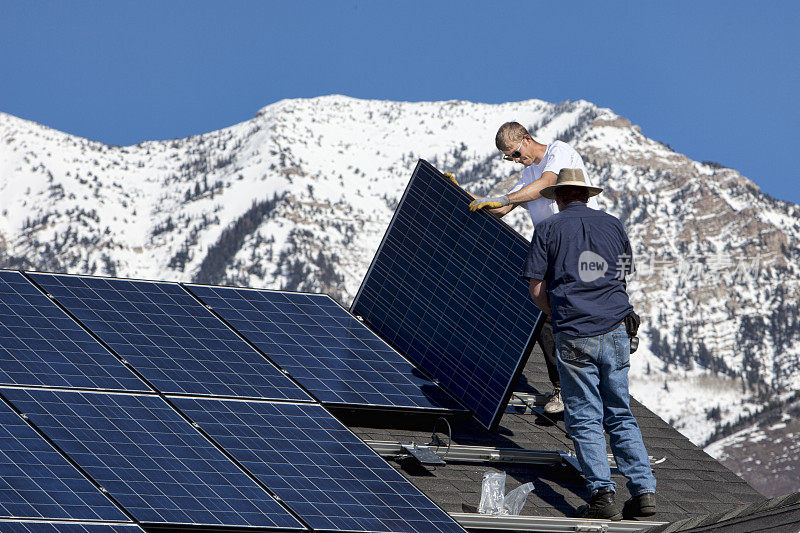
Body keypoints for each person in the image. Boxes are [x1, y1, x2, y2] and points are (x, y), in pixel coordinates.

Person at [522, 167, 657, 520]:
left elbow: (536, 286)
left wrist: (559, 313)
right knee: (620, 412)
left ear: (561, 196)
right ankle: (643, 491)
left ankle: (601, 495)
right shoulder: (613, 224)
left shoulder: (548, 228)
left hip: (575, 332)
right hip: (616, 328)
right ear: (585, 194)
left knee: (584, 418)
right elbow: (625, 269)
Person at [451, 121, 600, 415]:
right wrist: (463, 198)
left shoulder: (559, 152)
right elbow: (503, 208)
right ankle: (563, 389)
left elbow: (544, 186)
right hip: (551, 252)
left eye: (517, 154)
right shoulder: (527, 173)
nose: (517, 160)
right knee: (544, 317)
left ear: (527, 139)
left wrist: (507, 197)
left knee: (576, 317)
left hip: (574, 245)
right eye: (511, 158)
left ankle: (586, 390)